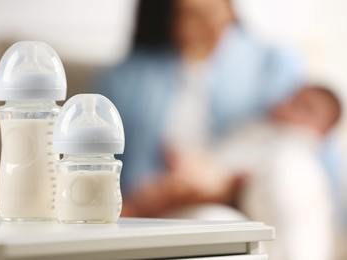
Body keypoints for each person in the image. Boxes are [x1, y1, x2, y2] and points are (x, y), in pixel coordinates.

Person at [95, 0, 303, 198]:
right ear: (166, 19)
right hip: (169, 195)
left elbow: (302, 141)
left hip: (251, 186)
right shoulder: (125, 79)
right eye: (193, 15)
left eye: (217, 10)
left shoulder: (275, 63)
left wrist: (220, 174)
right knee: (218, 220)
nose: (212, 25)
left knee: (289, 164)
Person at [126, 85, 341, 260]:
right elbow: (217, 161)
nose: (292, 106)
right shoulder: (253, 130)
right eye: (294, 98)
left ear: (323, 132)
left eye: (306, 108)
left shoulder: (298, 157)